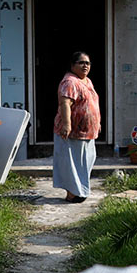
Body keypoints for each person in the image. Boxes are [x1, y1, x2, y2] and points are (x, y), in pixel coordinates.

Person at [52, 51, 100, 203]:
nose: (85, 65)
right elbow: (65, 103)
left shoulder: (87, 81)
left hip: (87, 132)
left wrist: (97, 123)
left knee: (86, 161)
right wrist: (67, 124)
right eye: (81, 62)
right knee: (70, 163)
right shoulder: (70, 82)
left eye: (88, 63)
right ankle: (72, 193)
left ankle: (80, 190)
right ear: (73, 65)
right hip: (72, 132)